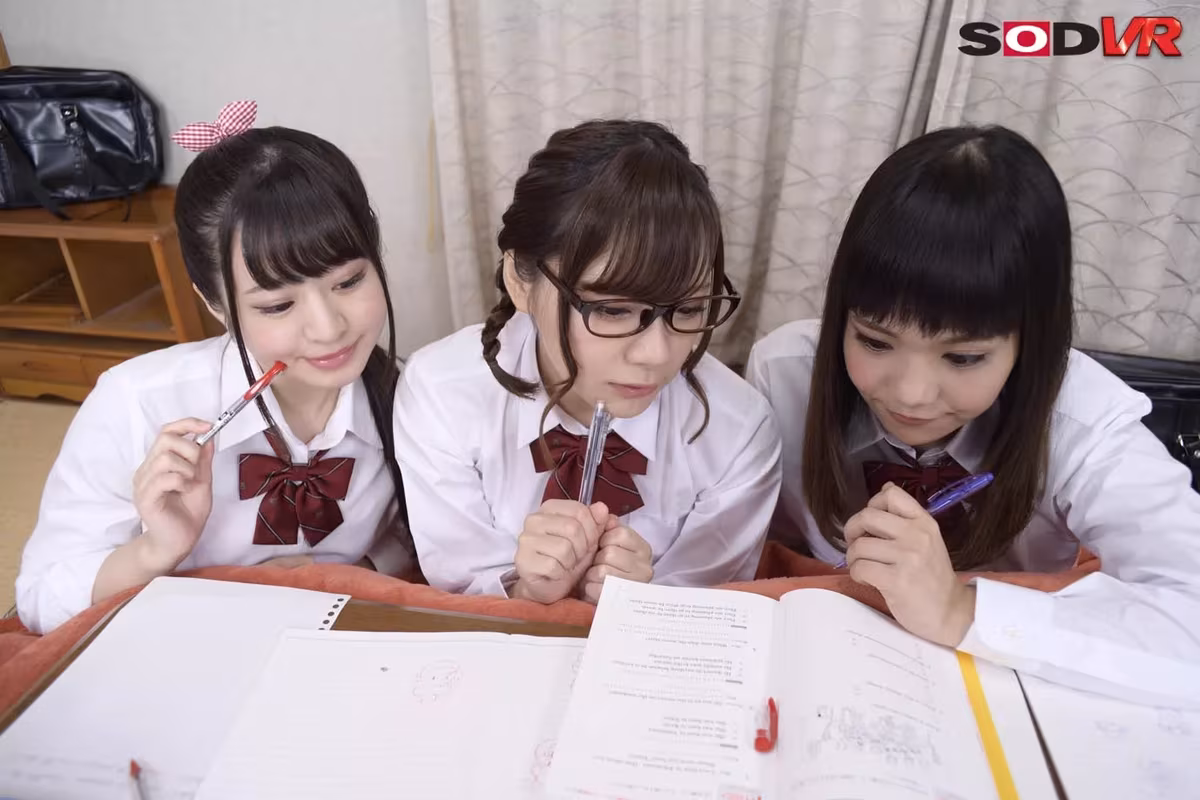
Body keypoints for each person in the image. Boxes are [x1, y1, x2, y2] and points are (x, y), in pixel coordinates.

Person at [747, 124, 1200, 706]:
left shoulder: (1085, 420)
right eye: (875, 342)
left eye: (963, 357)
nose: (912, 395)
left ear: (1032, 340)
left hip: (1004, 689)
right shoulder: (787, 373)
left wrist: (960, 610)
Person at [17, 102, 412, 634]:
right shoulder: (136, 401)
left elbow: (418, 548)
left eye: (349, 282)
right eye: (277, 305)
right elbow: (41, 599)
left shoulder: (411, 396)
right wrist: (157, 550)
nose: (328, 328)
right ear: (214, 304)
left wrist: (351, 574)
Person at [395, 119, 782, 604]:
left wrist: (647, 600)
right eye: (612, 310)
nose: (656, 355)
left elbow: (714, 608)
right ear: (520, 279)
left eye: (688, 309)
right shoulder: (442, 392)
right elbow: (457, 587)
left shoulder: (737, 429)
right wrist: (525, 589)